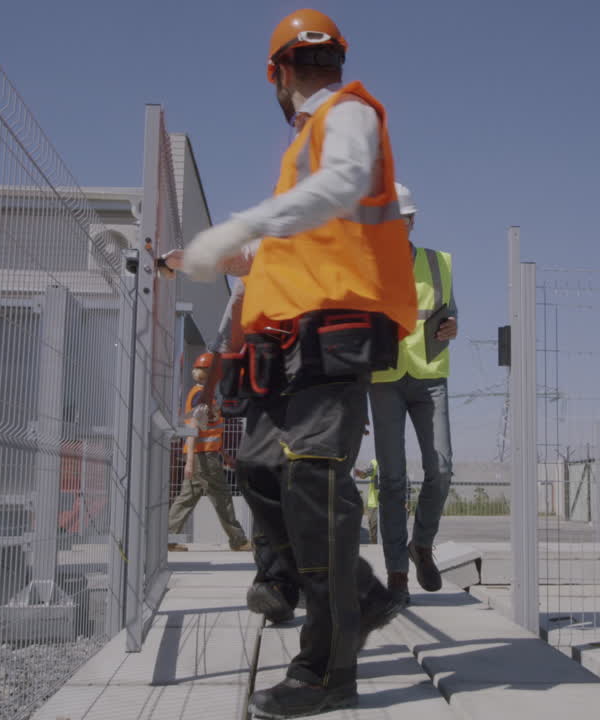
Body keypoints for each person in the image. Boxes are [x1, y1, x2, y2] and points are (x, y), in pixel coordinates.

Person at [165, 9, 417, 717]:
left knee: (314, 494)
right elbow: (283, 246)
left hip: (335, 335)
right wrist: (206, 254)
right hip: (287, 346)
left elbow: (344, 182)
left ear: (275, 73)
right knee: (260, 473)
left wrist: (241, 224)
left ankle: (325, 670)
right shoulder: (304, 149)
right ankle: (361, 595)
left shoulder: (348, 114)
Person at [367, 182, 458, 605]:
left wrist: (453, 326)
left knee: (442, 468)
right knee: (391, 479)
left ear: (411, 221)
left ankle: (421, 544)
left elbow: (449, 314)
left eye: (401, 219)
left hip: (429, 376)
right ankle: (397, 574)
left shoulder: (439, 263)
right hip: (384, 379)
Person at [167, 353, 252, 552]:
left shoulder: (202, 394)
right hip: (203, 457)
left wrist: (224, 454)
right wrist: (190, 461)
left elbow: (210, 429)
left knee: (187, 498)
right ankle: (238, 540)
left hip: (204, 455)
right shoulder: (201, 396)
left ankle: (168, 538)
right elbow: (193, 427)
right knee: (222, 497)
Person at [354, 459, 380, 544]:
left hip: (389, 503)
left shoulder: (395, 462)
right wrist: (360, 473)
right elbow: (366, 473)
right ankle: (375, 545)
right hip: (374, 503)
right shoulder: (375, 463)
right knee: (373, 528)